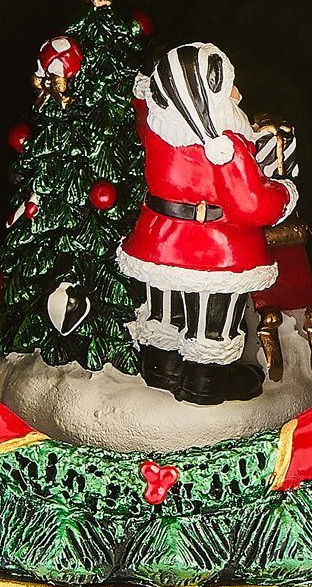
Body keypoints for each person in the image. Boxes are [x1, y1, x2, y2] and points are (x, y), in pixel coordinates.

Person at [116, 41, 298, 405]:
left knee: (164, 308)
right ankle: (206, 381)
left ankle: (162, 368)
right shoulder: (226, 146)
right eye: (229, 86)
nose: (237, 94)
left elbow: (145, 106)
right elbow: (253, 206)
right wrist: (285, 189)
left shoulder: (156, 128)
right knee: (212, 316)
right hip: (215, 248)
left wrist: (149, 87)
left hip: (160, 241)